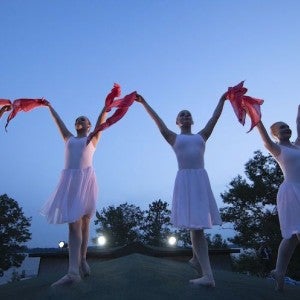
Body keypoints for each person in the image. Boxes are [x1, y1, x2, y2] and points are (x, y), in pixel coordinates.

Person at [136, 92, 227, 287]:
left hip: (200, 180)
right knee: (196, 227)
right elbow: (157, 120)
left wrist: (221, 100)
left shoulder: (202, 136)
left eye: (188, 114)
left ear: (192, 120)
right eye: (182, 115)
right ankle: (205, 272)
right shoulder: (173, 138)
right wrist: (144, 103)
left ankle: (203, 270)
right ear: (177, 122)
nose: (185, 117)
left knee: (198, 227)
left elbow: (214, 118)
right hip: (185, 180)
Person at [41, 103, 107, 287]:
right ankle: (72, 271)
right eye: (77, 119)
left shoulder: (92, 139)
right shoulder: (69, 139)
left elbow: (102, 120)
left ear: (89, 126)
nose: (79, 120)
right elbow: (58, 122)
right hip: (71, 183)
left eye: (83, 119)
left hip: (87, 181)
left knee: (85, 223)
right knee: (74, 224)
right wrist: (49, 107)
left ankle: (82, 260)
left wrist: (105, 105)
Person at [255, 107, 300, 291]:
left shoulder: (298, 145)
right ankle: (279, 272)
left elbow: (299, 123)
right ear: (275, 135)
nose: (286, 129)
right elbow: (264, 136)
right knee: (292, 235)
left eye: (287, 127)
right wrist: (256, 118)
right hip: (290, 192)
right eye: (282, 128)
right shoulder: (277, 148)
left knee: (292, 239)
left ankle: (279, 272)